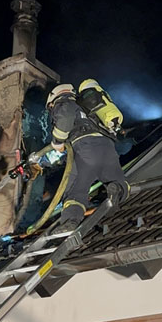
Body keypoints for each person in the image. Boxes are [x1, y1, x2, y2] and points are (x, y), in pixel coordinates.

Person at [32, 83, 130, 233]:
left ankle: (70, 222)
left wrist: (57, 141)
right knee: (118, 181)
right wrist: (41, 161)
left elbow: (64, 120)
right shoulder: (85, 107)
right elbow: (65, 152)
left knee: (74, 191)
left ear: (52, 100)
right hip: (106, 146)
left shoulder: (64, 102)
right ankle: (116, 188)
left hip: (84, 147)